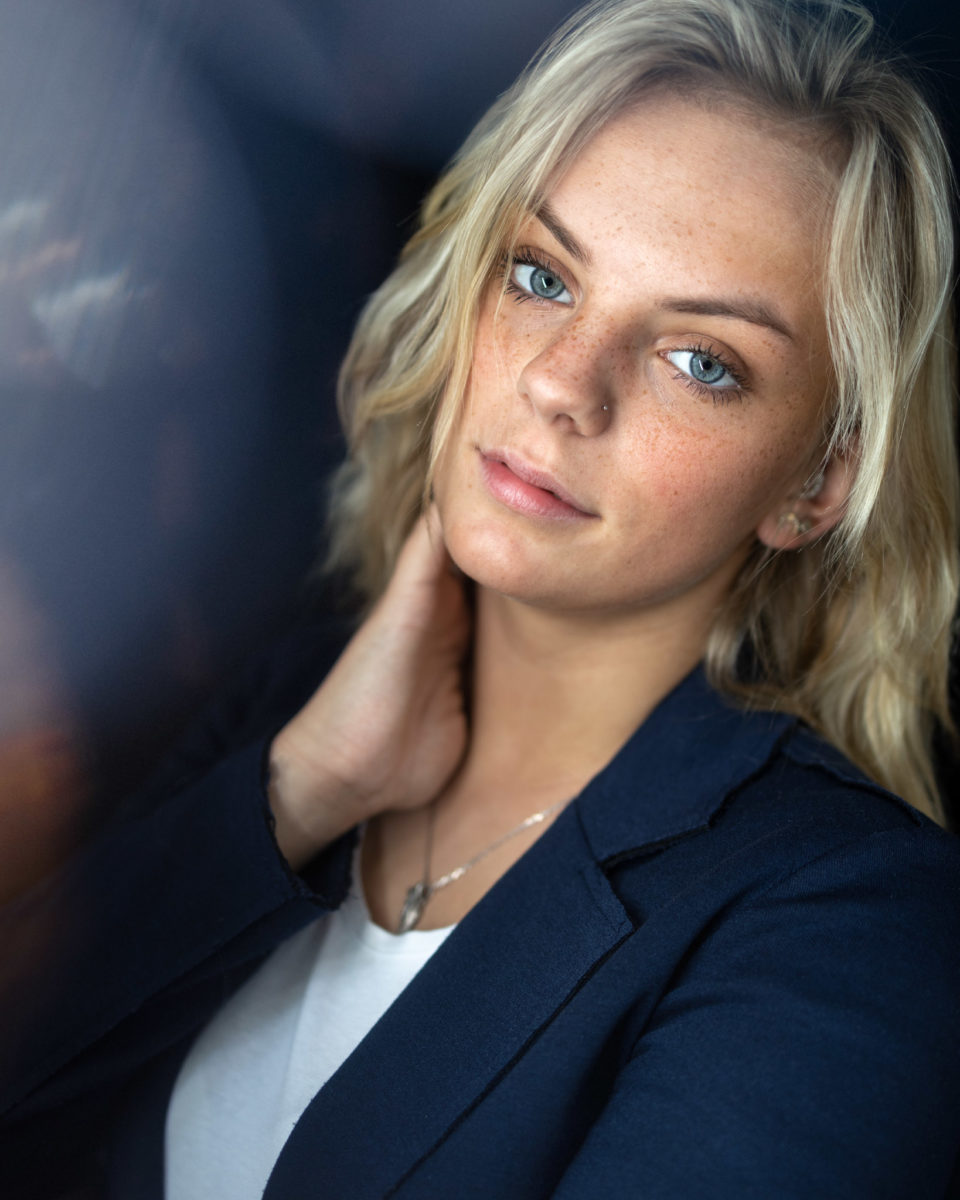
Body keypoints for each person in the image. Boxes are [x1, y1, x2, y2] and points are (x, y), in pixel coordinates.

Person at [2, 0, 959, 1196]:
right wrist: (301, 792)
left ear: (818, 484)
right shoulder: (290, 709)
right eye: (540, 275)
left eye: (701, 359)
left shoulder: (861, 919)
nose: (563, 383)